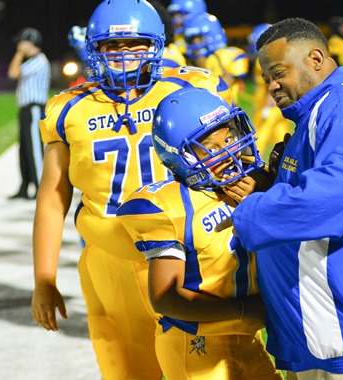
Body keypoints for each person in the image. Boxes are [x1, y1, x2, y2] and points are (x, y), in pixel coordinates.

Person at [31, 1, 232, 379]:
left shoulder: (189, 88)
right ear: (95, 49)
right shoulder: (70, 109)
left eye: (136, 43)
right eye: (113, 46)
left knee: (206, 369)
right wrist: (44, 277)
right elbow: (52, 198)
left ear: (156, 45)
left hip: (187, 255)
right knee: (127, 370)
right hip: (111, 263)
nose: (124, 55)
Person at [217, 18, 343, 379]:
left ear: (316, 58)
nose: (271, 85)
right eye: (267, 78)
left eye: (278, 72)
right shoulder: (318, 113)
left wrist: (253, 212)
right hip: (324, 336)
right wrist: (271, 188)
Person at [116, 87, 282, 379]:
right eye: (212, 147)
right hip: (196, 343)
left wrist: (268, 196)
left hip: (247, 337)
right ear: (182, 157)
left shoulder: (254, 183)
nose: (230, 150)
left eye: (229, 138)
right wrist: (244, 309)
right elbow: (166, 298)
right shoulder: (171, 206)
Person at [7, 27, 51, 200]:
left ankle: (41, 187)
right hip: (26, 109)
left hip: (34, 108)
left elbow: (13, 72)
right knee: (24, 150)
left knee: (34, 150)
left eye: (22, 42)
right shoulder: (33, 61)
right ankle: (25, 186)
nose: (19, 45)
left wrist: (19, 53)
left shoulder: (39, 60)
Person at [246, 23, 293, 160]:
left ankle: (251, 161)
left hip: (270, 105)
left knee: (259, 137)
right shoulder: (280, 59)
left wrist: (267, 105)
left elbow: (271, 85)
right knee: (283, 137)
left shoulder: (264, 62)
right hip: (280, 104)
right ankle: (290, 160)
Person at [183, 12, 249, 105]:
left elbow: (222, 88)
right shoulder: (188, 62)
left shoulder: (228, 55)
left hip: (226, 108)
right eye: (192, 40)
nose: (196, 43)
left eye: (199, 38)